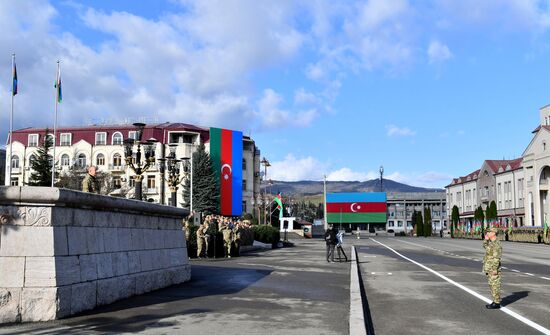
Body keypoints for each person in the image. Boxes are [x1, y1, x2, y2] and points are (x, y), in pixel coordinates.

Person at [483, 227, 502, 309]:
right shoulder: (491, 243)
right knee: (492, 285)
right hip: (489, 267)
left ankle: (497, 303)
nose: (487, 233)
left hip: (493, 268)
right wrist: (486, 240)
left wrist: (495, 269)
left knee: (495, 285)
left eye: (489, 232)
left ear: (494, 233)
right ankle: (495, 300)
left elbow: (497, 258)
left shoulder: (496, 244)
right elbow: (485, 247)